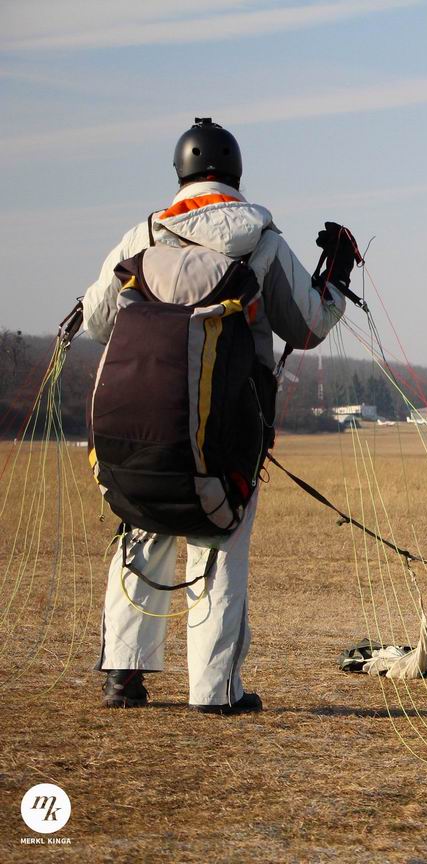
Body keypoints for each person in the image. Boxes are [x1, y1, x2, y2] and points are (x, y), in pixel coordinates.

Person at [85, 118, 351, 714]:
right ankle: (214, 690)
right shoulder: (261, 240)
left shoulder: (142, 235)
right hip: (226, 424)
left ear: (180, 173)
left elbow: (99, 321)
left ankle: (123, 676)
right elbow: (307, 326)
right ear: (235, 173)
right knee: (218, 540)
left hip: (136, 422)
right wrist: (335, 278)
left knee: (142, 528)